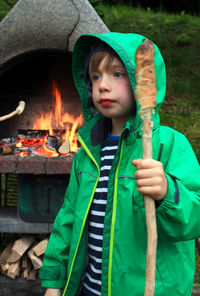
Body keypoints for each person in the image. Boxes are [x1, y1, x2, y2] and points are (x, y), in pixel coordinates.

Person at [39, 32, 200, 296]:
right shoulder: (87, 153)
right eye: (96, 77)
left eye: (117, 74)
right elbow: (67, 219)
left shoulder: (169, 145)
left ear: (142, 81)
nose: (103, 85)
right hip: (89, 290)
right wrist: (54, 283)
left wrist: (167, 193)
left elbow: (196, 216)